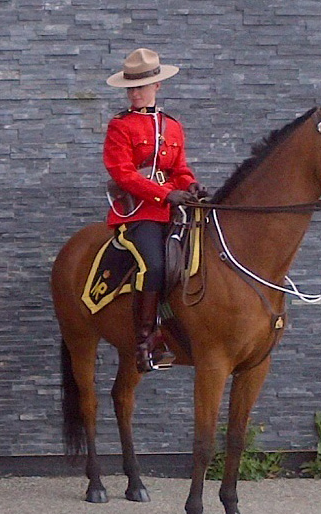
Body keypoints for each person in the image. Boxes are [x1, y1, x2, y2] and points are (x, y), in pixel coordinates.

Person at [103, 48, 206, 374]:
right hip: (137, 213)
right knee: (155, 265)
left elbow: (180, 168)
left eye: (141, 87)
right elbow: (124, 174)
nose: (134, 94)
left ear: (157, 86)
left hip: (173, 209)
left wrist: (190, 186)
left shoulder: (172, 126)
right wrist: (165, 194)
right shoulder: (120, 126)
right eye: (130, 88)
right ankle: (147, 340)